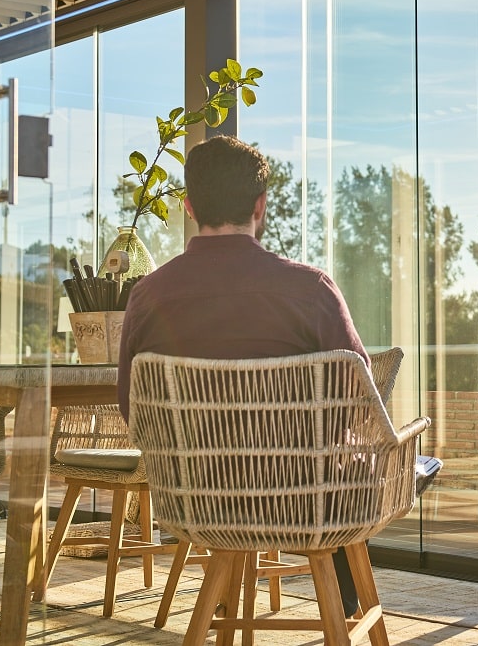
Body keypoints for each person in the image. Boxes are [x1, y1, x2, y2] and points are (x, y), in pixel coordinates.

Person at [117, 134, 368, 617]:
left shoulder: (147, 297)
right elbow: (358, 399)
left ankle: (228, 599)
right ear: (261, 205)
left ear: (188, 207)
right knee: (400, 464)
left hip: (197, 499)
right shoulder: (309, 289)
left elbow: (135, 409)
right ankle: (344, 603)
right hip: (304, 498)